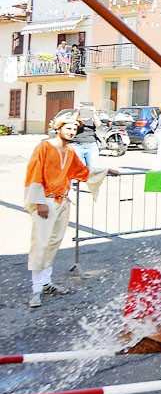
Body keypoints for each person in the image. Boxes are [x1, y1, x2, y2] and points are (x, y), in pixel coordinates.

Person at [24, 114, 119, 308]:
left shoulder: (70, 151)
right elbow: (34, 173)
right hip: (45, 201)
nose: (71, 132)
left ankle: (47, 282)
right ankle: (36, 289)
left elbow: (81, 171)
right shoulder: (44, 147)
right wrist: (38, 201)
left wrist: (105, 170)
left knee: (53, 242)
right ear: (58, 128)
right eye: (68, 128)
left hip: (62, 201)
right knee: (40, 242)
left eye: (74, 129)